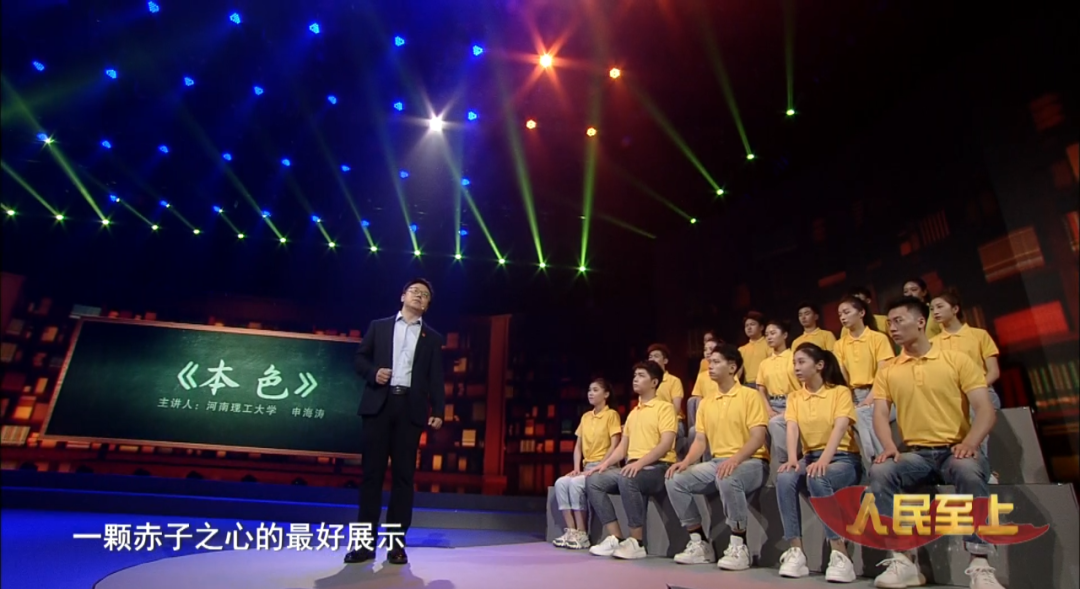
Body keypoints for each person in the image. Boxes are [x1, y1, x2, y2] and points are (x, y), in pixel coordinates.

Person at [869, 296, 1003, 589]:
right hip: (916, 455)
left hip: (955, 451)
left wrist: (970, 442)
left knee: (968, 470)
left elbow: (985, 409)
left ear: (920, 322)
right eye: (889, 323)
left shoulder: (956, 359)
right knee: (881, 470)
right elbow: (879, 413)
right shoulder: (888, 369)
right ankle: (903, 559)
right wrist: (889, 446)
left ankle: (980, 563)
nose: (892, 328)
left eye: (898, 321)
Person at [346, 278, 445, 566]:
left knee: (403, 479)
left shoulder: (432, 338)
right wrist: (373, 373)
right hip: (379, 405)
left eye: (425, 294)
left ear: (428, 305)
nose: (419, 296)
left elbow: (436, 378)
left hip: (410, 410)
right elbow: (359, 359)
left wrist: (439, 410)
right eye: (414, 291)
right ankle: (364, 544)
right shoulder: (379, 326)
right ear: (402, 296)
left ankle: (396, 545)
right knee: (371, 476)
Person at [664, 344, 769, 571]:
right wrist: (686, 462)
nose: (710, 366)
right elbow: (700, 441)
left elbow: (758, 437)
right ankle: (699, 542)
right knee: (674, 479)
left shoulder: (749, 396)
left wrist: (736, 459)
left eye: (716, 362)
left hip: (752, 462)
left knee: (728, 476)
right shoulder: (706, 402)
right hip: (716, 463)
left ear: (732, 367)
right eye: (709, 362)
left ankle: (739, 544)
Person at [774, 343, 862, 583]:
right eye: (794, 363)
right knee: (785, 477)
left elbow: (840, 427)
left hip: (843, 458)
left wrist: (824, 460)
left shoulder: (839, 392)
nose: (796, 367)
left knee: (817, 475)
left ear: (819, 365)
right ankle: (796, 551)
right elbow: (792, 428)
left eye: (801, 362)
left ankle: (840, 553)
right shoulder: (795, 397)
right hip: (810, 457)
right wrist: (793, 459)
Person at [587, 361, 678, 560]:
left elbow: (665, 444)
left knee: (627, 478)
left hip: (658, 466)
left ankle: (637, 542)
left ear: (654, 382)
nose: (635, 379)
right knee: (594, 480)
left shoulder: (665, 408)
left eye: (641, 375)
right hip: (634, 466)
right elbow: (623, 447)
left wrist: (639, 463)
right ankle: (615, 537)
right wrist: (604, 464)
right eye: (635, 375)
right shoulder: (633, 413)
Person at [930, 288, 1003, 483]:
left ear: (955, 309)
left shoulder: (979, 335)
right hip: (950, 396)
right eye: (932, 309)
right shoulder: (932, 343)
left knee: (975, 414)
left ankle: (982, 470)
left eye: (940, 307)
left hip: (981, 392)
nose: (935, 312)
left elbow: (993, 371)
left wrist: (973, 388)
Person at [552, 379, 622, 550]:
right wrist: (577, 468)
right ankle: (572, 530)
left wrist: (601, 465)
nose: (590, 393)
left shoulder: (611, 415)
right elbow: (578, 447)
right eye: (589, 390)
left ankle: (582, 533)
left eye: (595, 390)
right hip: (586, 466)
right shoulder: (585, 417)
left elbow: (615, 444)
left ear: (606, 394)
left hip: (606, 467)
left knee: (576, 484)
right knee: (561, 482)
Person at [834, 295, 895, 473]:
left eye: (846, 312)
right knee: (854, 414)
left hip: (882, 394)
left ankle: (878, 462)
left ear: (861, 313)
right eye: (840, 314)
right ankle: (879, 464)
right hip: (854, 396)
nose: (842, 317)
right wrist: (848, 400)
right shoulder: (839, 344)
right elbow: (842, 378)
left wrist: (869, 399)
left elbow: (883, 373)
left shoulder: (878, 338)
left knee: (863, 413)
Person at [757, 319, 803, 465]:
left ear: (784, 335)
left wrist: (791, 407)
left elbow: (804, 384)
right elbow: (761, 388)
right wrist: (768, 409)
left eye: (773, 333)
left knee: (776, 423)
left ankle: (788, 461)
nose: (769, 337)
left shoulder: (794, 357)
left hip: (794, 402)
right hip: (772, 404)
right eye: (766, 335)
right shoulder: (764, 363)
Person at [738, 311, 770, 388]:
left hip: (765, 384)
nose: (749, 328)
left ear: (761, 327)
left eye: (752, 324)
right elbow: (738, 371)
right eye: (746, 325)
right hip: (747, 385)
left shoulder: (769, 344)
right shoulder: (741, 349)